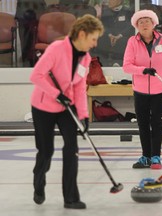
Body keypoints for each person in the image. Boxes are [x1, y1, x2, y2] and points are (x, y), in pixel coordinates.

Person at [30, 14, 104, 209]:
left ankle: (70, 198)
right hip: (43, 106)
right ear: (81, 34)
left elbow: (79, 87)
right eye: (93, 38)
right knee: (46, 151)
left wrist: (84, 116)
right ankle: (39, 182)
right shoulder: (56, 49)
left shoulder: (85, 57)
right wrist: (56, 94)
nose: (95, 44)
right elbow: (36, 75)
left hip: (67, 106)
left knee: (72, 150)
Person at [122, 9, 162, 169]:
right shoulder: (132, 42)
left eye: (147, 21)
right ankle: (145, 156)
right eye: (140, 22)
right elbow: (127, 66)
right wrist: (143, 70)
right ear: (136, 26)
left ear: (153, 24)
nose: (144, 24)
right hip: (140, 90)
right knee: (143, 124)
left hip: (160, 89)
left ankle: (156, 157)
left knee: (157, 122)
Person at [91, 0, 134, 66]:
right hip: (106, 48)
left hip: (122, 48)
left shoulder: (128, 11)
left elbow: (130, 26)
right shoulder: (104, 12)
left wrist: (120, 35)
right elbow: (102, 25)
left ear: (119, 1)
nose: (109, 1)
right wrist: (109, 34)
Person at [15, 0, 47, 67]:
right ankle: (26, 65)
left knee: (38, 40)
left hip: (38, 9)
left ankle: (38, 64)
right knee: (25, 43)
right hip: (23, 11)